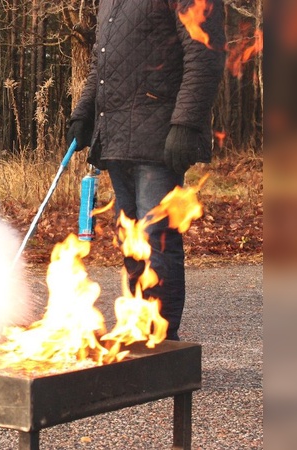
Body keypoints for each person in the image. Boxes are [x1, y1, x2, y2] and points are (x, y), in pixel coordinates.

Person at [67, 0, 225, 341]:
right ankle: (140, 329)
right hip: (116, 138)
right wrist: (84, 113)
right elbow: (101, 64)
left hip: (159, 138)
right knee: (131, 239)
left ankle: (164, 342)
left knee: (158, 239)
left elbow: (204, 55)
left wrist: (185, 124)